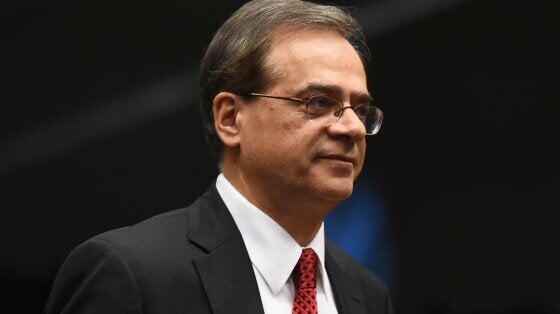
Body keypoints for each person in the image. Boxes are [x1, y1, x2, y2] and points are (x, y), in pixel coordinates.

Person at [44, 0, 392, 313]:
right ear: (229, 118)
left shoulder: (367, 294)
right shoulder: (130, 273)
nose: (353, 129)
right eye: (318, 102)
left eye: (360, 109)